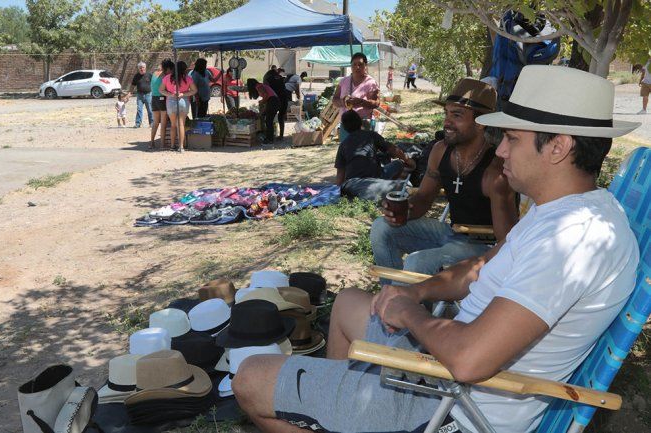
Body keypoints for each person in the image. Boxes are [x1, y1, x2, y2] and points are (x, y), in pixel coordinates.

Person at [232, 65, 641, 433]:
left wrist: (409, 313)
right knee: (348, 305)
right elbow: (483, 264)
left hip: (451, 406)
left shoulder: (573, 241)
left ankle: (354, 407)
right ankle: (345, 411)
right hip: (441, 365)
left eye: (513, 139)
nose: (501, 150)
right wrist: (419, 292)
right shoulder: (561, 211)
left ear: (559, 147)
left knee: (249, 377)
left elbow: (469, 361)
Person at [369, 78, 518, 276]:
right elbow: (423, 198)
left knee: (418, 262)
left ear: (481, 122)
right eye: (446, 113)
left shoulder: (495, 170)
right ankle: (394, 296)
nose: (447, 122)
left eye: (457, 115)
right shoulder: (440, 151)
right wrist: (404, 211)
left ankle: (400, 301)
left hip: (482, 245)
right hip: (451, 233)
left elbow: (506, 241)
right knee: (381, 227)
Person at [335, 110, 415, 201]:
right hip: (375, 178)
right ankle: (396, 186)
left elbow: (340, 176)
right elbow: (393, 150)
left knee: (394, 165)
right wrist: (407, 160)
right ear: (360, 122)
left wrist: (337, 193)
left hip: (355, 183)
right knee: (399, 164)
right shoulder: (371, 135)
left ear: (344, 128)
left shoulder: (343, 145)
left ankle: (391, 187)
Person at [332, 52, 380, 143]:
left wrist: (361, 102)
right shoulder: (343, 81)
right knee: (347, 152)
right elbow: (334, 100)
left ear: (365, 66)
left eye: (360, 64)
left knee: (364, 151)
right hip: (346, 124)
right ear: (351, 66)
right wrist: (344, 102)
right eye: (354, 64)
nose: (357, 67)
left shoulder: (371, 82)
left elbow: (377, 103)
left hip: (364, 123)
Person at [160, 61, 197, 153]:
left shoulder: (167, 78)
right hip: (183, 101)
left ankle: (172, 146)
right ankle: (181, 147)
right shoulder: (188, 78)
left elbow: (161, 90)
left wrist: (170, 94)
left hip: (171, 101)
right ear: (184, 69)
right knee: (181, 124)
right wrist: (183, 93)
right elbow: (194, 90)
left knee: (173, 125)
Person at [247, 78, 279, 144]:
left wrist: (261, 102)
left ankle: (270, 139)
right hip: (274, 101)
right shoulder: (261, 85)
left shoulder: (259, 86)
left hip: (273, 101)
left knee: (268, 121)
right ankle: (269, 137)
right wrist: (262, 112)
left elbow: (266, 96)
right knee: (268, 120)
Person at [149, 60, 172, 149]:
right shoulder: (164, 75)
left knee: (155, 122)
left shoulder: (154, 73)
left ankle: (151, 142)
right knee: (163, 123)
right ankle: (162, 144)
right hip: (162, 99)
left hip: (154, 99)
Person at [264, 67, 289, 141]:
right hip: (284, 100)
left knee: (269, 119)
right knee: (281, 118)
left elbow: (267, 92)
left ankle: (270, 138)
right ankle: (281, 136)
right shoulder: (280, 78)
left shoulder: (268, 79)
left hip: (275, 101)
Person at [130, 62, 153, 128]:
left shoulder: (149, 75)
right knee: (139, 109)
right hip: (140, 95)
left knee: (150, 109)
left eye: (143, 67)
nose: (141, 69)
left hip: (148, 94)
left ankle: (151, 123)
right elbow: (133, 85)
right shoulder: (136, 76)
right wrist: (129, 93)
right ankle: (138, 123)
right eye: (140, 68)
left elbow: (154, 83)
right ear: (138, 68)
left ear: (145, 68)